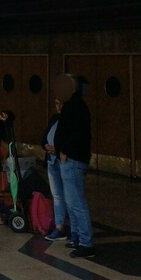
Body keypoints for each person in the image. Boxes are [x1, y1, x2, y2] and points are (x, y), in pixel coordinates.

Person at [52, 73, 94, 258]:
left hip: (73, 160)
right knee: (71, 202)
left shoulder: (76, 107)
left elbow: (77, 134)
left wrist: (64, 151)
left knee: (77, 202)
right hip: (70, 159)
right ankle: (76, 237)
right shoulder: (71, 106)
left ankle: (86, 243)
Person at [42, 96, 68, 242]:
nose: (58, 107)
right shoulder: (55, 118)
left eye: (61, 104)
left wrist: (57, 149)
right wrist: (45, 146)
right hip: (52, 161)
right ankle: (59, 227)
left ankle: (74, 229)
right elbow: (44, 137)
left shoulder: (70, 121)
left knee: (69, 196)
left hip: (63, 161)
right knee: (57, 195)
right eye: (56, 104)